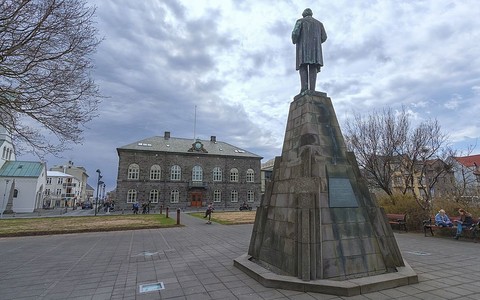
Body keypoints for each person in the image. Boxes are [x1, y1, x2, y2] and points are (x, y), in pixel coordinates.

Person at [292, 8, 327, 93]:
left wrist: (294, 40)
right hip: (315, 50)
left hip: (303, 48)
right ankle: (312, 89)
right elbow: (324, 37)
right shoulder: (319, 24)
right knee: (313, 67)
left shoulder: (300, 21)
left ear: (303, 14)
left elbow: (295, 34)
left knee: (303, 66)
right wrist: (316, 42)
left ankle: (304, 88)